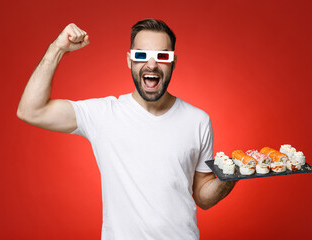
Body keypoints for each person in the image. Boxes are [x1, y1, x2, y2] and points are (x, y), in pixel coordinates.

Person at [17, 19, 236, 240]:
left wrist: (230, 177)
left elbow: (202, 197)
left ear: (174, 62)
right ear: (129, 61)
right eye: (141, 56)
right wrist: (57, 49)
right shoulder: (103, 114)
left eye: (162, 56)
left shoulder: (197, 120)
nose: (151, 65)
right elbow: (31, 110)